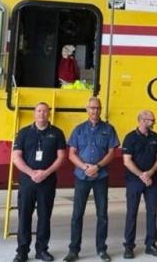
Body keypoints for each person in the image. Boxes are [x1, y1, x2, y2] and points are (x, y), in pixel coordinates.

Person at [63, 97, 120, 262]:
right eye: (91, 108)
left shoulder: (109, 129)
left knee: (102, 214)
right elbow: (71, 153)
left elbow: (112, 153)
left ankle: (101, 249)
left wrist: (98, 167)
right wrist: (85, 167)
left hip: (100, 177)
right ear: (87, 110)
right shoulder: (78, 129)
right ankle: (73, 250)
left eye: (97, 108)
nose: (94, 111)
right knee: (77, 215)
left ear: (100, 110)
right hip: (82, 176)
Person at [12, 102, 66, 262]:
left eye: (45, 111)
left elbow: (61, 157)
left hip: (47, 182)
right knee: (24, 216)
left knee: (44, 217)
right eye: (39, 111)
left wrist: (46, 173)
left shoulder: (57, 133)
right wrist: (31, 173)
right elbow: (16, 157)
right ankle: (22, 251)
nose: (42, 114)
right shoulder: (23, 133)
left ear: (49, 114)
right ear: (34, 113)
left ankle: (42, 250)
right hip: (27, 182)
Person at [122, 110, 157, 259]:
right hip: (134, 181)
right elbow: (127, 161)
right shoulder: (130, 138)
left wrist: (151, 172)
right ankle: (129, 246)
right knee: (131, 213)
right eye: (151, 120)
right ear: (142, 120)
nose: (154, 122)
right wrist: (142, 175)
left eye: (154, 119)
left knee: (152, 213)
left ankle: (151, 244)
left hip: (152, 182)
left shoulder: (156, 138)